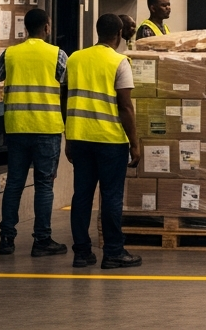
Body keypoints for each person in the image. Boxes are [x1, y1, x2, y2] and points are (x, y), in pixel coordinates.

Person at [0, 8, 68, 257]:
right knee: (44, 185)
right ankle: (42, 240)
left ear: (25, 28)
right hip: (47, 128)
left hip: (17, 127)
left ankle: (7, 239)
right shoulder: (58, 54)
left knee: (14, 184)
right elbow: (67, 89)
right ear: (46, 27)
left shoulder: (11, 53)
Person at [66, 14, 142, 269]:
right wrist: (135, 143)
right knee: (110, 196)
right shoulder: (119, 61)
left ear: (97, 31)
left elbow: (66, 98)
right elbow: (126, 107)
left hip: (79, 137)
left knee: (82, 196)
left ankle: (82, 253)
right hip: (109, 140)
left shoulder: (75, 58)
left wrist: (68, 138)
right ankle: (113, 252)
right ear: (119, 34)